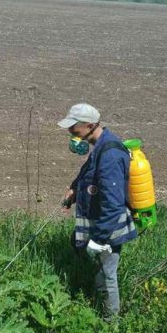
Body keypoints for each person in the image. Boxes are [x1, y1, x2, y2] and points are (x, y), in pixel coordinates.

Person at [58, 103, 138, 320]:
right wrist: (75, 188)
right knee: (93, 263)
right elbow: (89, 173)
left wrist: (99, 239)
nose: (70, 131)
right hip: (100, 223)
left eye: (74, 127)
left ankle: (110, 324)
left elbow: (113, 204)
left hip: (108, 227)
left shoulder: (110, 154)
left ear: (90, 125)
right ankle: (95, 300)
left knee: (107, 273)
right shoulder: (100, 146)